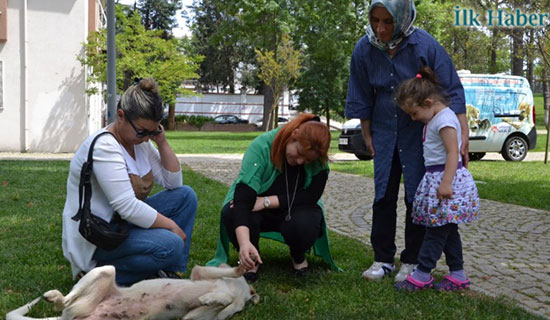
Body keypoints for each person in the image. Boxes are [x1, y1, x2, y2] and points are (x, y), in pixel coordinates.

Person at [345, 0, 469, 282]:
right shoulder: (364, 49)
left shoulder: (424, 45)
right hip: (384, 131)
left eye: (388, 21)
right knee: (383, 196)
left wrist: (462, 135)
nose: (381, 28)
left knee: (418, 197)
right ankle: (382, 259)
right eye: (376, 20)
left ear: (401, 18)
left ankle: (412, 261)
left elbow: (452, 89)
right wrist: (366, 133)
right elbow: (361, 94)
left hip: (420, 135)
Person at [62, 78, 197, 286]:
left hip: (121, 224)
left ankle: (167, 273)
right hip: (98, 234)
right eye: (142, 131)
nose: (145, 138)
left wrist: (161, 141)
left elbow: (174, 183)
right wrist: (171, 227)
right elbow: (126, 207)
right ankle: (95, 277)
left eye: (152, 132)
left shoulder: (139, 143)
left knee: (186, 196)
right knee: (171, 244)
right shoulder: (105, 146)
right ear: (121, 116)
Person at [207, 113, 339, 282]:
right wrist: (244, 242)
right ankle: (251, 259)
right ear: (294, 134)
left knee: (306, 222)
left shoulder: (318, 157)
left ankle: (298, 257)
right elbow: (243, 198)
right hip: (255, 207)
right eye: (298, 153)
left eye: (307, 160)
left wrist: (266, 202)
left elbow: (311, 196)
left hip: (294, 208)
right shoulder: (261, 146)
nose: (300, 162)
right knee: (232, 212)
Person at [393, 67, 479, 291]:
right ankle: (458, 275)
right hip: (439, 178)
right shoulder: (436, 119)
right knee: (448, 230)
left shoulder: (445, 121)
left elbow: (453, 152)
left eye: (414, 113)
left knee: (435, 231)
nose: (413, 119)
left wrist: (446, 183)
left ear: (428, 102)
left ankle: (422, 274)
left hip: (446, 180)